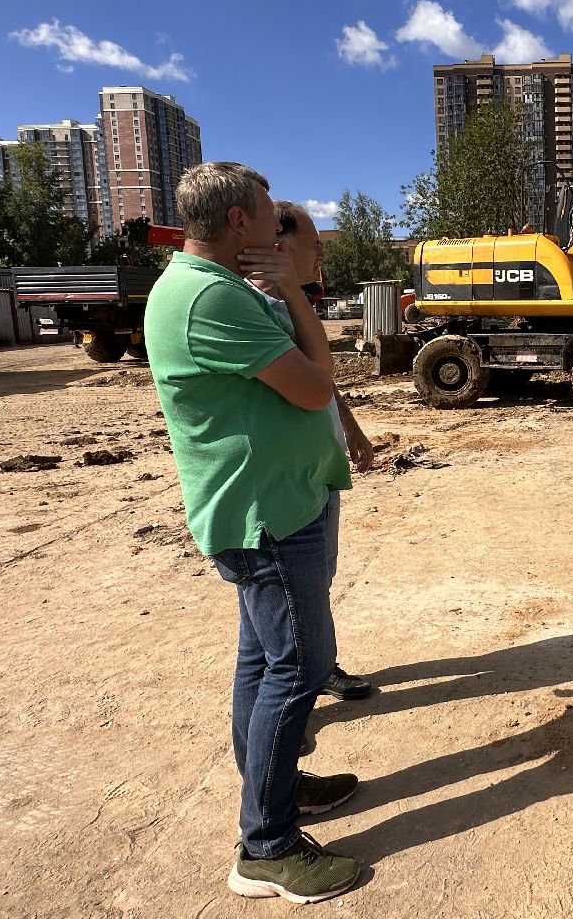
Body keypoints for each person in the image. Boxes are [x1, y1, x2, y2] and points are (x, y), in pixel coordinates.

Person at [144, 162, 361, 904]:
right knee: (301, 664)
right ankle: (265, 845)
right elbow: (315, 384)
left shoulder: (218, 290)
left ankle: (279, 790)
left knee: (262, 663)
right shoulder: (210, 298)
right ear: (238, 221)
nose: (279, 227)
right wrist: (298, 294)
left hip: (273, 505)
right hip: (265, 517)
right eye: (269, 215)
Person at [257, 200, 374, 700]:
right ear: (281, 248)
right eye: (314, 244)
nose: (321, 254)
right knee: (296, 597)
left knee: (317, 581)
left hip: (318, 471)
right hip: (287, 487)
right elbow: (305, 384)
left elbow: (321, 378)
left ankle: (317, 666)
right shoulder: (256, 311)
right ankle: (301, 680)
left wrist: (350, 430)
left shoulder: (289, 306)